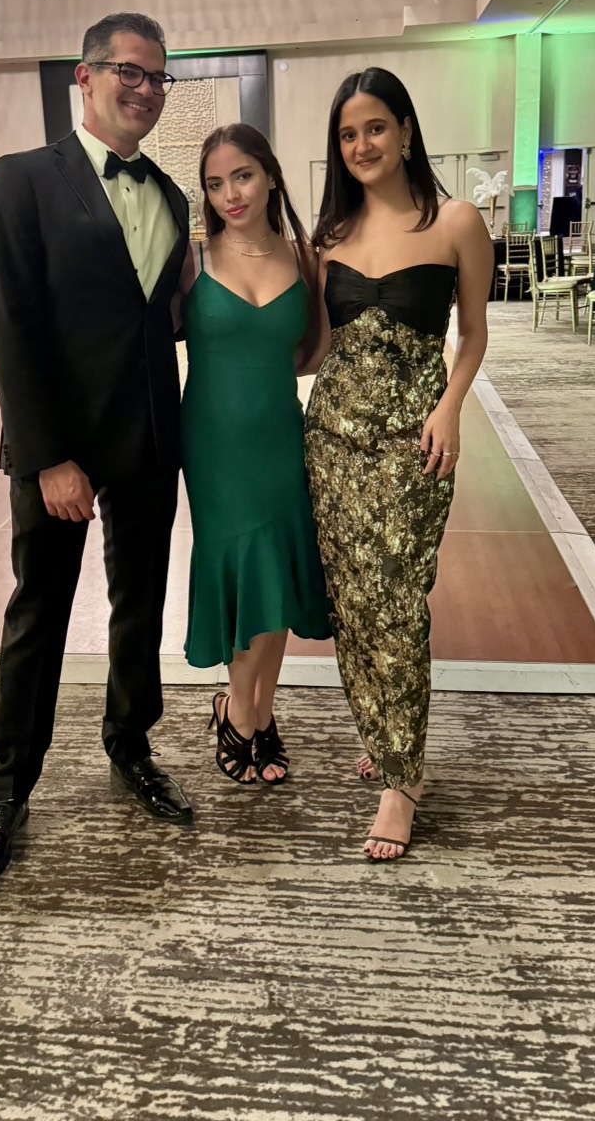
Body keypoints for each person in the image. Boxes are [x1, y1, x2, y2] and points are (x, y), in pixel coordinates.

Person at [0, 12, 192, 888]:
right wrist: (48, 455)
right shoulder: (22, 180)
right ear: (85, 79)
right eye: (127, 71)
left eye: (156, 76)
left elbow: (159, 323)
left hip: (146, 439)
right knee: (40, 614)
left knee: (140, 608)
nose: (143, 88)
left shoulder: (171, 197)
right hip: (59, 447)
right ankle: (6, 789)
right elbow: (8, 327)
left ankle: (130, 747)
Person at [304, 68, 492, 863]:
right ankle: (384, 734)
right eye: (348, 135)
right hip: (334, 440)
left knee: (398, 601)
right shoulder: (330, 240)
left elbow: (475, 334)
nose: (362, 145)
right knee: (352, 603)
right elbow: (315, 348)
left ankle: (401, 779)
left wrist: (449, 406)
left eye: (375, 127)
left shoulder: (456, 222)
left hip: (413, 443)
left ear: (407, 131)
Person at [180, 123, 331, 785]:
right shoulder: (191, 257)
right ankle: (241, 714)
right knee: (245, 570)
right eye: (215, 184)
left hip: (278, 434)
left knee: (278, 573)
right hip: (213, 444)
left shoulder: (307, 257)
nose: (229, 194)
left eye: (241, 176)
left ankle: (254, 713)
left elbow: (313, 350)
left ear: (269, 174)